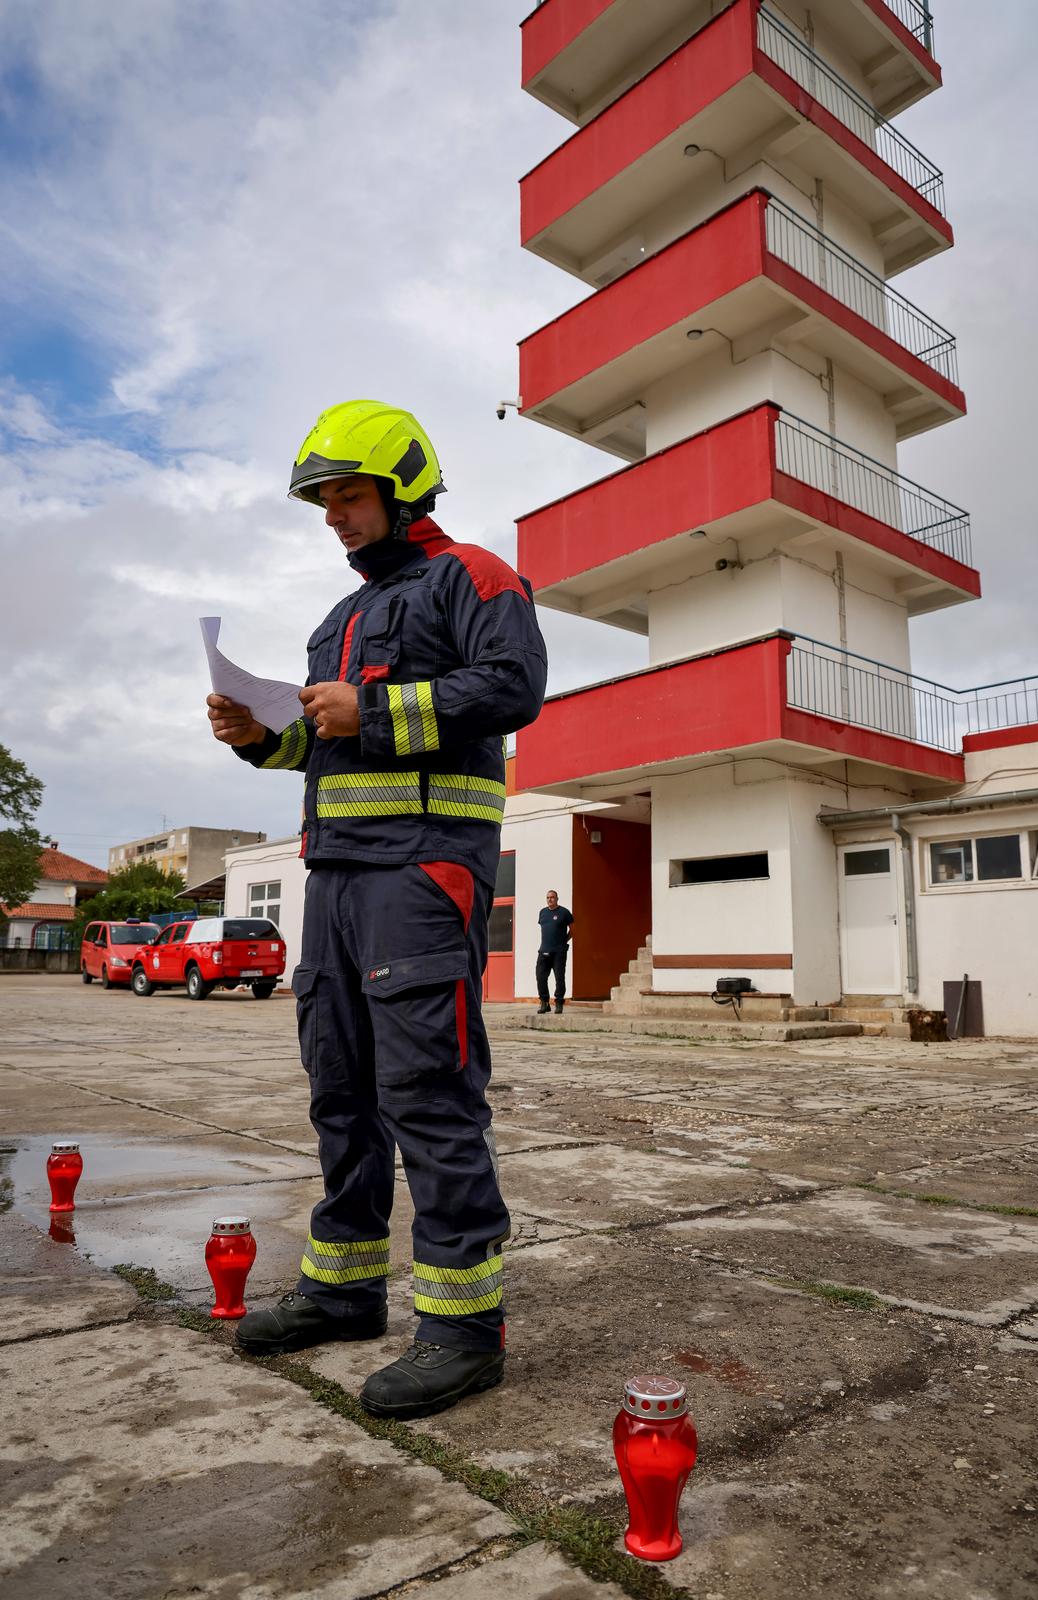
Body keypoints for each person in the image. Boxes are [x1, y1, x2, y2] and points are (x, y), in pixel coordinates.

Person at [206, 400, 547, 1419]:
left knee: (427, 1097)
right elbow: (329, 744)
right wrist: (256, 734)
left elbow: (512, 687)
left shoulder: (473, 576)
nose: (332, 516)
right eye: (321, 500)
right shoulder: (335, 621)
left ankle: (462, 1330)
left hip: (423, 871)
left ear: (402, 488)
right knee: (341, 1094)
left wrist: (378, 707)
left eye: (347, 494)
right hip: (338, 880)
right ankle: (344, 1289)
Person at [535, 889, 573, 1015]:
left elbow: (573, 930)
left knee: (559, 978)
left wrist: (564, 941)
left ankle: (559, 1003)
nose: (550, 899)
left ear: (557, 899)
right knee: (540, 977)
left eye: (552, 897)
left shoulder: (564, 912)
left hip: (559, 952)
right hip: (544, 951)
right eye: (548, 897)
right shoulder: (543, 913)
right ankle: (544, 1003)